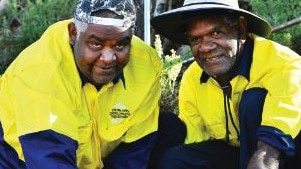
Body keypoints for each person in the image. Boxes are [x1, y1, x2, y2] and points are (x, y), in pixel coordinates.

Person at [0, 0, 186, 168]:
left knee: (170, 128)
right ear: (74, 34)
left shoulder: (145, 63)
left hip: (93, 156)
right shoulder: (41, 73)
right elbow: (50, 160)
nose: (108, 58)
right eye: (96, 44)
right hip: (25, 160)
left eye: (120, 45)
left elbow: (136, 150)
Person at [151, 0, 301, 169]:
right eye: (195, 39)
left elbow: (272, 148)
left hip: (281, 153)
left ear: (241, 28)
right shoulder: (192, 79)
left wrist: (263, 160)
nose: (206, 47)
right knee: (176, 158)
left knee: (253, 101)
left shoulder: (283, 63)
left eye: (216, 33)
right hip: (237, 154)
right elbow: (198, 142)